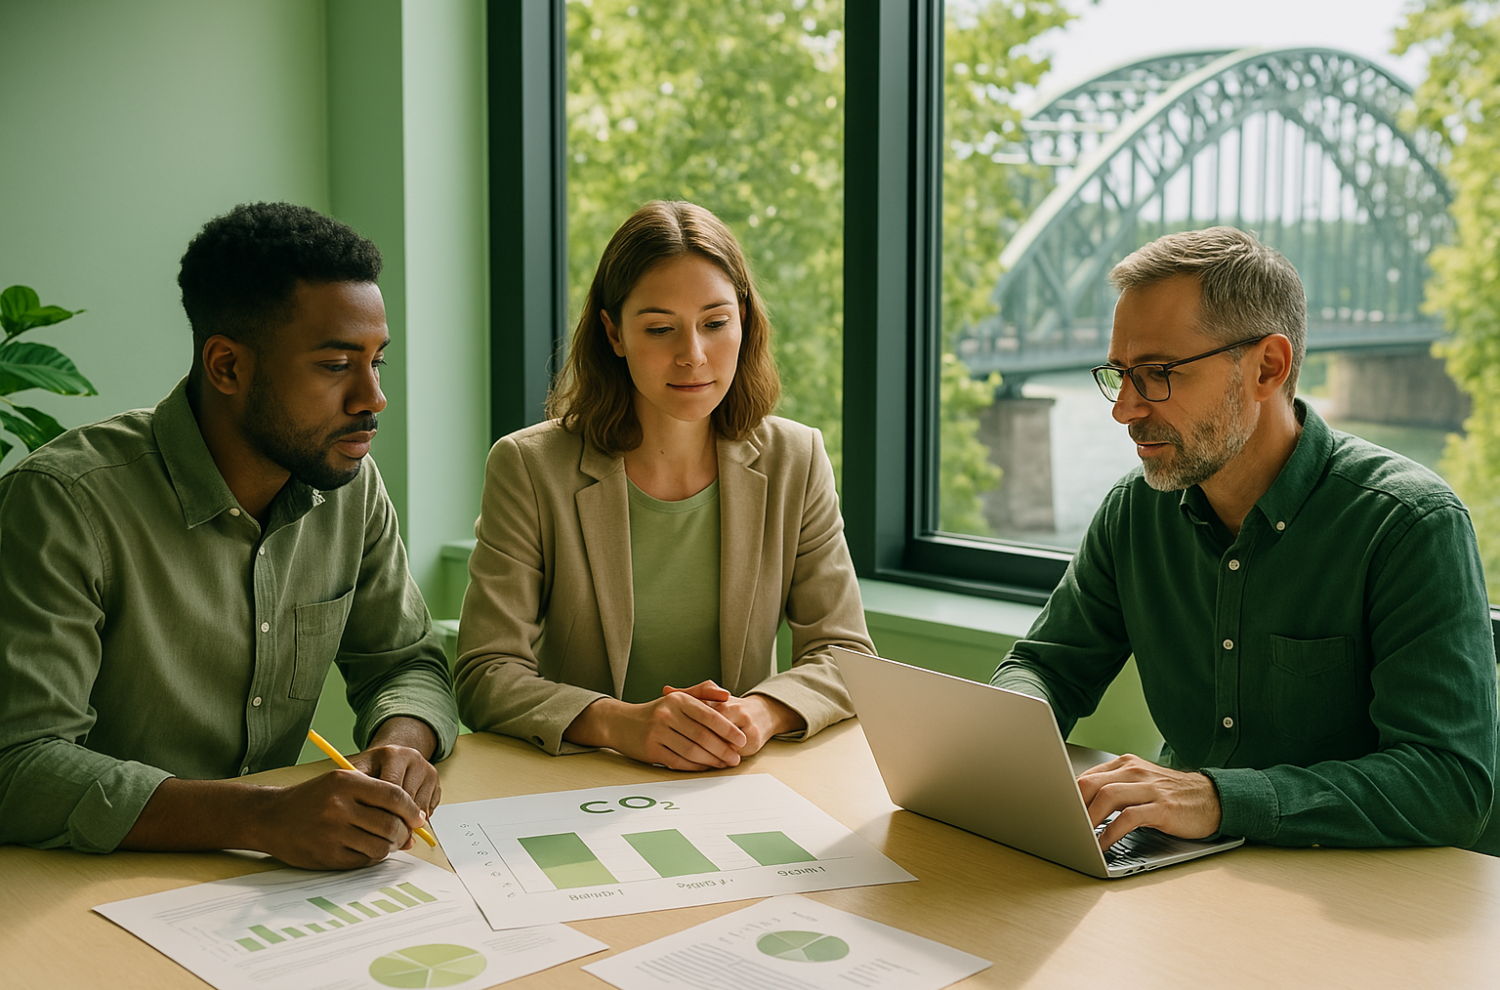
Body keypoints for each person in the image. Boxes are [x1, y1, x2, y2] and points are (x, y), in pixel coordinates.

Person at [992, 226, 1498, 853]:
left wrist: (1217, 797)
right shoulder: (1136, 511)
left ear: (1268, 367)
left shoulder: (1409, 524)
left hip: (1366, 900)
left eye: (1156, 373)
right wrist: (999, 755)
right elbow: (1046, 668)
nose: (1124, 408)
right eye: (1120, 373)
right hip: (1183, 865)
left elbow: (1450, 787)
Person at [0, 202, 459, 869]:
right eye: (336, 366)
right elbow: (18, 763)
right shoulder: (64, 502)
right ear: (226, 367)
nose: (373, 397)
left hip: (263, 890)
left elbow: (406, 662)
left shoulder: (348, 483)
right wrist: (263, 815)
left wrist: (402, 746)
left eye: (377, 361)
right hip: (81, 887)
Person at [456, 200, 871, 771]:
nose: (693, 356)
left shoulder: (796, 459)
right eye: (659, 328)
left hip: (739, 782)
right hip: (580, 786)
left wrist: (762, 713)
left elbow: (844, 652)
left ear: (744, 320)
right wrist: (618, 722)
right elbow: (485, 673)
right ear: (613, 333)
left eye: (715, 323)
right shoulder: (528, 467)